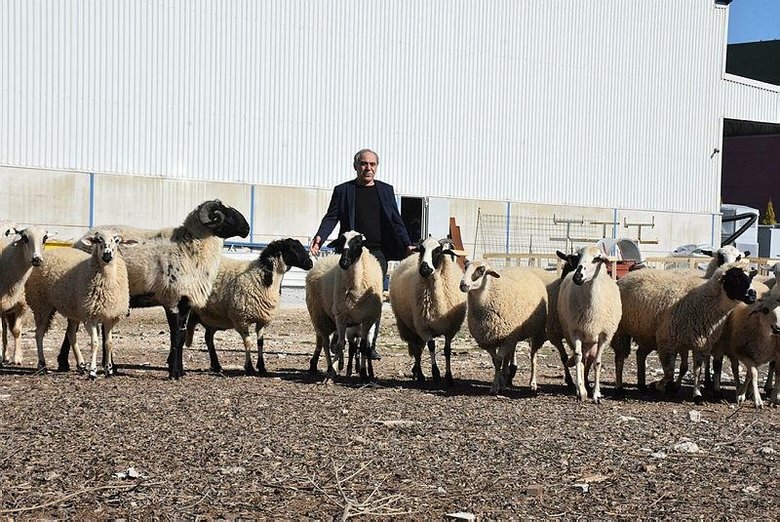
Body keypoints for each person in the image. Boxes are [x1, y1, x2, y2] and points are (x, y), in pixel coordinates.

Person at [311, 148, 414, 359]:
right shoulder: (344, 190)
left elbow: (395, 219)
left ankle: (369, 344)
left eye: (372, 164)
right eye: (364, 164)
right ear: (355, 166)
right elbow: (331, 217)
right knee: (342, 294)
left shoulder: (385, 190)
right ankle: (340, 335)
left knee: (374, 296)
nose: (368, 168)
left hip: (376, 253)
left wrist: (407, 244)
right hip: (349, 251)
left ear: (376, 167)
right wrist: (320, 237)